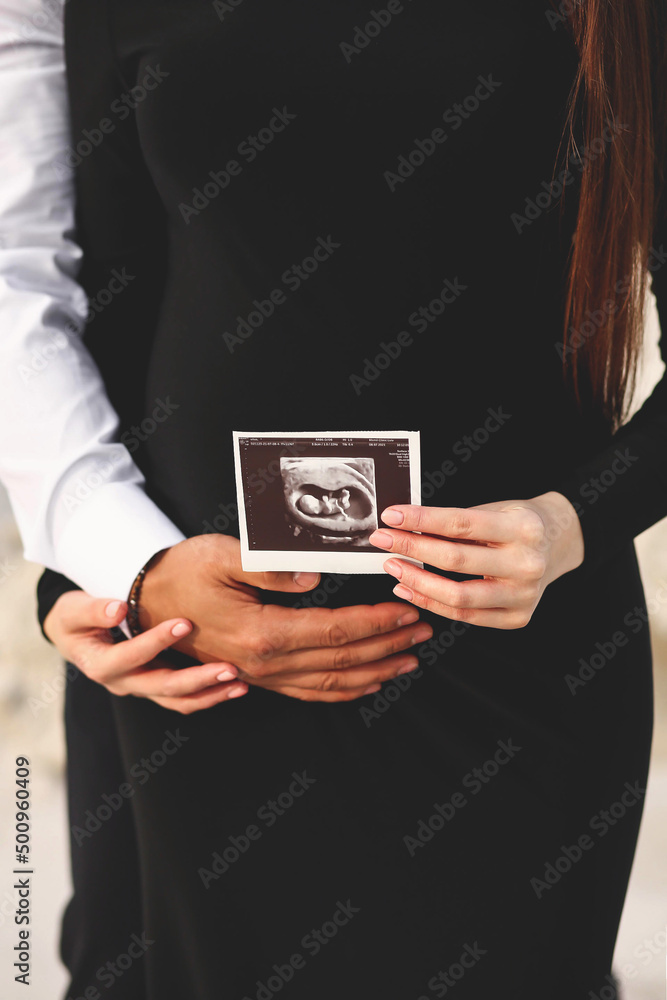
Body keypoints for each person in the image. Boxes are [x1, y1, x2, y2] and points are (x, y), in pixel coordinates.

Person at [1, 0, 666, 997]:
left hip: (508, 670)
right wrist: (113, 567)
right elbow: (49, 287)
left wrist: (572, 525)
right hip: (195, 654)